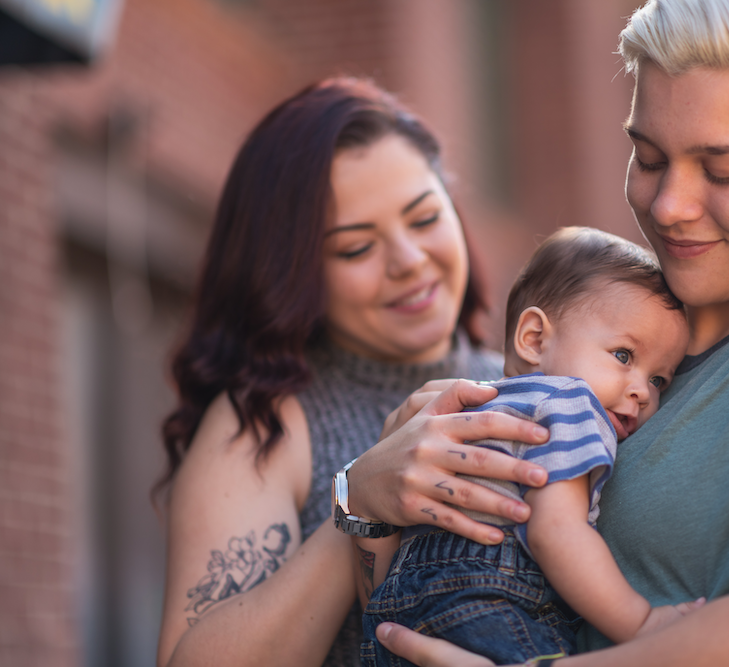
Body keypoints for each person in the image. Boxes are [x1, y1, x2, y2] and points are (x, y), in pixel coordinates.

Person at [334, 1, 729, 666]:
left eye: (721, 170)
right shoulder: (586, 332)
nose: (668, 205)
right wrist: (365, 498)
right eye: (648, 156)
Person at [154, 78, 507, 667]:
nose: (409, 262)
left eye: (423, 219)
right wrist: (361, 501)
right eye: (355, 249)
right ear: (294, 276)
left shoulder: (526, 382)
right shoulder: (263, 423)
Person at [357, 227, 694, 666]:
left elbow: (397, 552)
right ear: (534, 338)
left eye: (658, 379)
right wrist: (642, 624)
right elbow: (556, 532)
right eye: (625, 356)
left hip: (392, 619)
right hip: (493, 599)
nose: (642, 393)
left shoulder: (465, 410)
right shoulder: (571, 403)